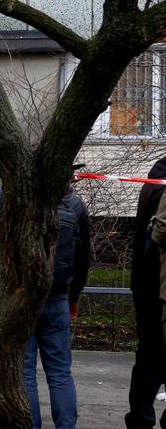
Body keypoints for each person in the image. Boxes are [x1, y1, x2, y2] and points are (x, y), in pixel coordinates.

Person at [0, 141, 89, 429]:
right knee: (61, 373)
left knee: (25, 372)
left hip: (20, 298)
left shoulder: (14, 197)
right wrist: (74, 296)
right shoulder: (75, 206)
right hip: (58, 299)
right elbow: (84, 259)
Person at [125, 156, 166, 428]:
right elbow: (159, 232)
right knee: (152, 359)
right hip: (156, 287)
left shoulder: (156, 176)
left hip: (147, 284)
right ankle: (141, 418)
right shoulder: (161, 183)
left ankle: (140, 418)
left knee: (148, 359)